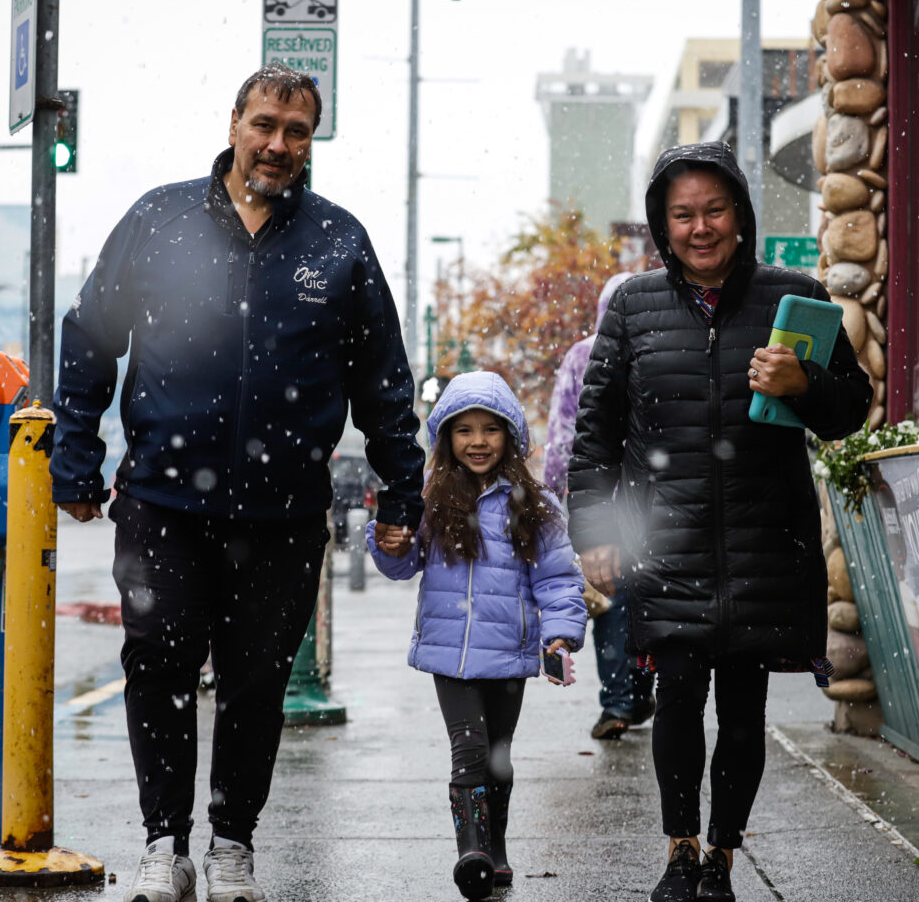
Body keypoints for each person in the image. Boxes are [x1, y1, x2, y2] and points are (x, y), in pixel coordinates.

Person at [50, 64, 426, 902]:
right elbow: (89, 336)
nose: (277, 145)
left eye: (296, 132)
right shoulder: (161, 219)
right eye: (264, 125)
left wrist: (403, 495)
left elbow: (384, 384)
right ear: (233, 124)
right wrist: (73, 455)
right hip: (162, 501)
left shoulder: (338, 241)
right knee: (158, 668)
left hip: (285, 512)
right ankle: (162, 844)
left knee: (256, 684)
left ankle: (232, 846)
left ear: (311, 140)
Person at [567, 141, 872, 902]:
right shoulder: (633, 306)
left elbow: (849, 410)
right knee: (676, 695)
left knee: (743, 707)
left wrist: (804, 384)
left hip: (766, 539)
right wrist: (596, 532)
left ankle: (723, 860)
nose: (700, 227)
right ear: (662, 225)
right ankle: (680, 850)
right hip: (666, 542)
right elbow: (595, 431)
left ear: (739, 214)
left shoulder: (793, 296)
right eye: (683, 215)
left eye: (714, 210)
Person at [369, 370, 587, 901]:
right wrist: (391, 544)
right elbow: (405, 565)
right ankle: (472, 849)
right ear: (446, 439)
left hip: (509, 656)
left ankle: (497, 845)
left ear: (510, 437)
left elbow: (558, 580)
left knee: (498, 756)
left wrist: (559, 636)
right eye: (464, 430)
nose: (478, 441)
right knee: (468, 750)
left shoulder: (535, 507)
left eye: (490, 429)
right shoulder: (432, 501)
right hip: (452, 655)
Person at [543, 271, 657, 739]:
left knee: (609, 598)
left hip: (600, 501)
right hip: (651, 500)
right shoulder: (659, 347)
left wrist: (554, 493)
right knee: (652, 597)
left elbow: (562, 432)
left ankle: (619, 701)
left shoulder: (581, 355)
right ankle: (643, 688)